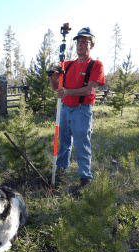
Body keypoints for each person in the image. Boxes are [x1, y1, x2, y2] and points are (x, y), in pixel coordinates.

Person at [49, 27, 105, 195]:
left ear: (92, 44)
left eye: (84, 41)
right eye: (78, 41)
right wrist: (53, 78)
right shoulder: (67, 65)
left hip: (82, 110)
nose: (80, 45)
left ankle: (85, 179)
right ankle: (60, 171)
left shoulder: (96, 65)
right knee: (64, 142)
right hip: (65, 109)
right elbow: (56, 88)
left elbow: (89, 90)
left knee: (81, 143)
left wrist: (67, 92)